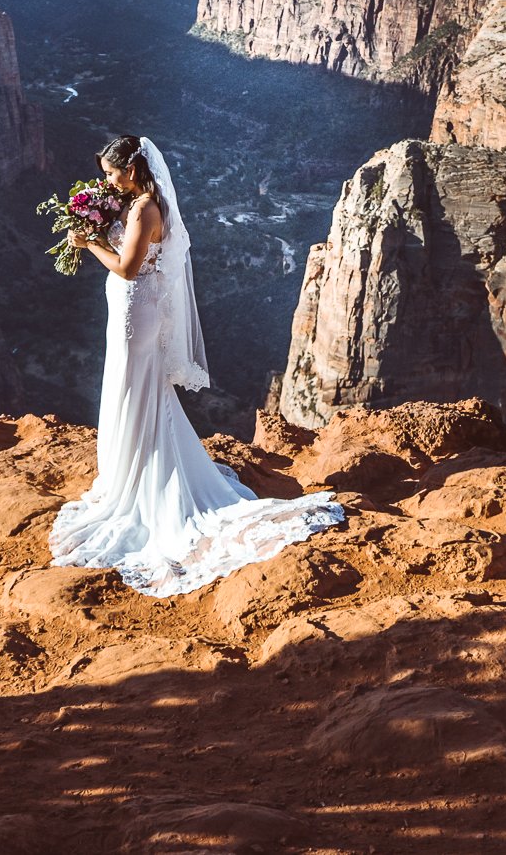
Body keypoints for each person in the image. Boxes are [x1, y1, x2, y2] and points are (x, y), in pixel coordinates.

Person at [48, 134, 344, 595]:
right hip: (130, 307)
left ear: (132, 168)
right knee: (136, 387)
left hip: (134, 307)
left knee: (133, 386)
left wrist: (87, 243)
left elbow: (127, 268)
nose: (108, 181)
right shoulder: (143, 201)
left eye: (111, 173)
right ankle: (138, 466)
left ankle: (141, 479)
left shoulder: (146, 208)